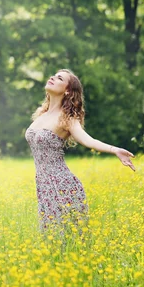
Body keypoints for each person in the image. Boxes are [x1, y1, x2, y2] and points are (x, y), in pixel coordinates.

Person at [24, 68, 136, 232]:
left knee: (67, 239)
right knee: (50, 239)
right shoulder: (41, 114)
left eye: (59, 78)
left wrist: (115, 150)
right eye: (54, 76)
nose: (53, 78)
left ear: (68, 90)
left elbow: (87, 140)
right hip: (44, 186)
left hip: (62, 185)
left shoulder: (67, 118)